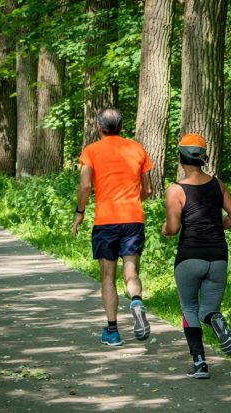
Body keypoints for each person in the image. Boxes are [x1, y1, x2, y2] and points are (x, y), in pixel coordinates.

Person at [162, 133, 231, 379]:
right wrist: (218, 227)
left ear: (181, 158)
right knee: (207, 309)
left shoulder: (176, 190)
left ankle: (199, 363)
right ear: (203, 158)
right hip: (218, 256)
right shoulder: (218, 184)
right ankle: (214, 318)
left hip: (190, 256)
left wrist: (163, 229)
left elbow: (173, 229)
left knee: (189, 308)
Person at [73, 108, 153, 346]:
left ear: (99, 128)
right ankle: (136, 301)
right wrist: (133, 203)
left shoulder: (91, 151)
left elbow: (86, 186)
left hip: (106, 221)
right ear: (121, 126)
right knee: (131, 271)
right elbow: (147, 190)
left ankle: (113, 331)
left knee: (108, 276)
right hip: (133, 219)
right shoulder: (137, 148)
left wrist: (80, 212)